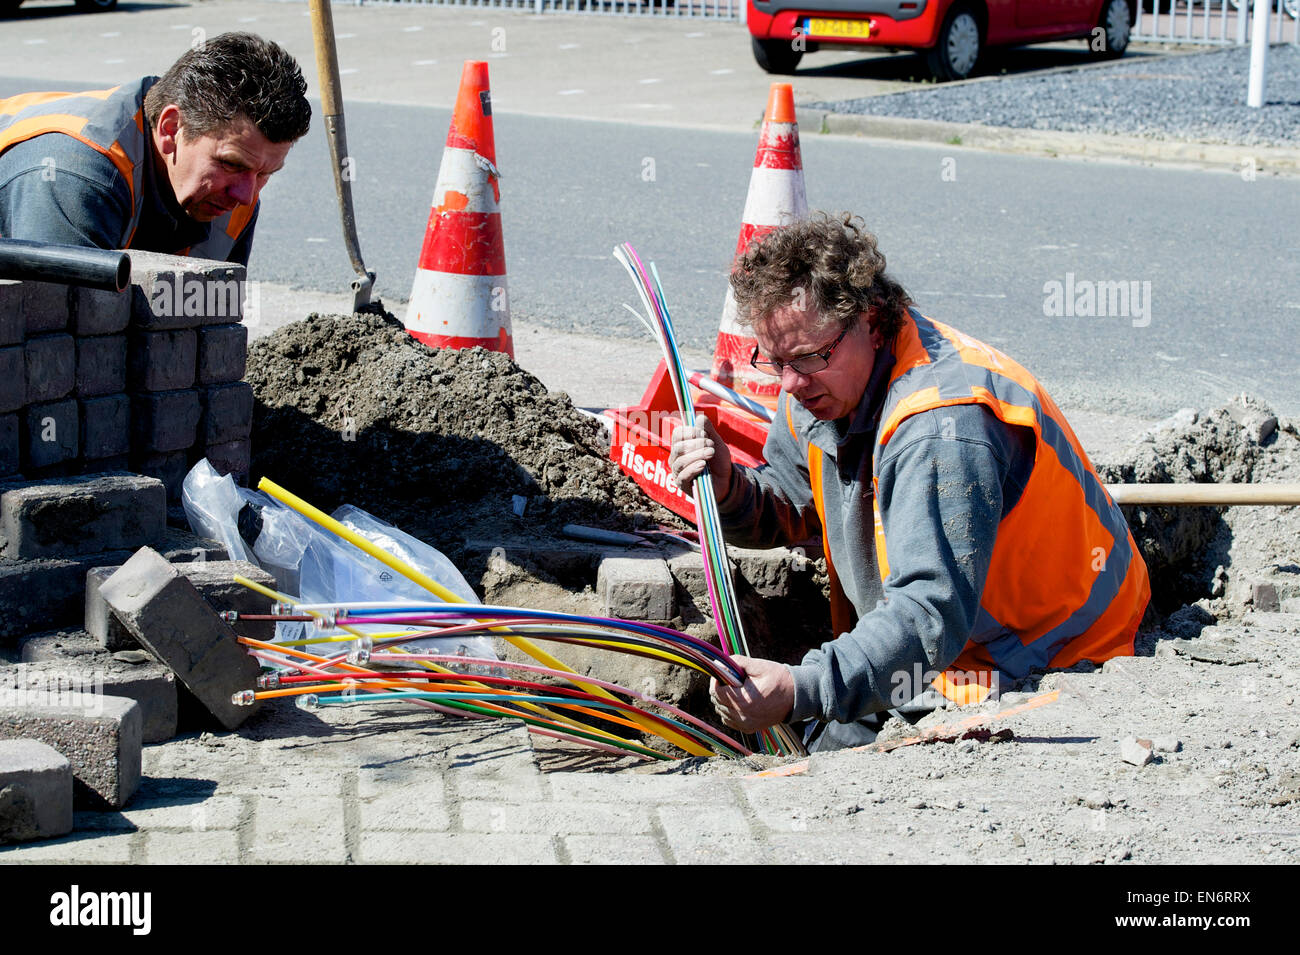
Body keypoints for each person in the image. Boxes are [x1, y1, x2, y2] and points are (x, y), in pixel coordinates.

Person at [670, 213, 1151, 752]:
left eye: (807, 358)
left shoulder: (942, 427)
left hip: (1048, 658)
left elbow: (928, 613)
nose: (789, 383)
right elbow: (792, 501)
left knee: (826, 759)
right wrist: (727, 485)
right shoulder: (821, 378)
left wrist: (801, 687)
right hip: (940, 647)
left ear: (871, 322)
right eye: (775, 361)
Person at [0, 32, 311, 266]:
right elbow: (57, 335)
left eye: (265, 174)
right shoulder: (70, 174)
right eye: (231, 164)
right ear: (171, 128)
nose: (245, 194)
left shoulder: (237, 194)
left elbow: (211, 330)